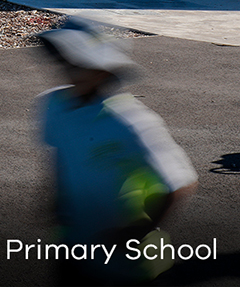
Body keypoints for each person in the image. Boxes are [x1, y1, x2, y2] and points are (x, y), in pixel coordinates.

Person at [35, 19, 197, 285]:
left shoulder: (131, 121)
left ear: (102, 72)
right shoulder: (53, 105)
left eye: (77, 63)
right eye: (63, 60)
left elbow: (179, 183)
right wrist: (55, 197)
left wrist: (138, 233)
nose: (66, 68)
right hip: (74, 246)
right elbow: (59, 153)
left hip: (131, 265)